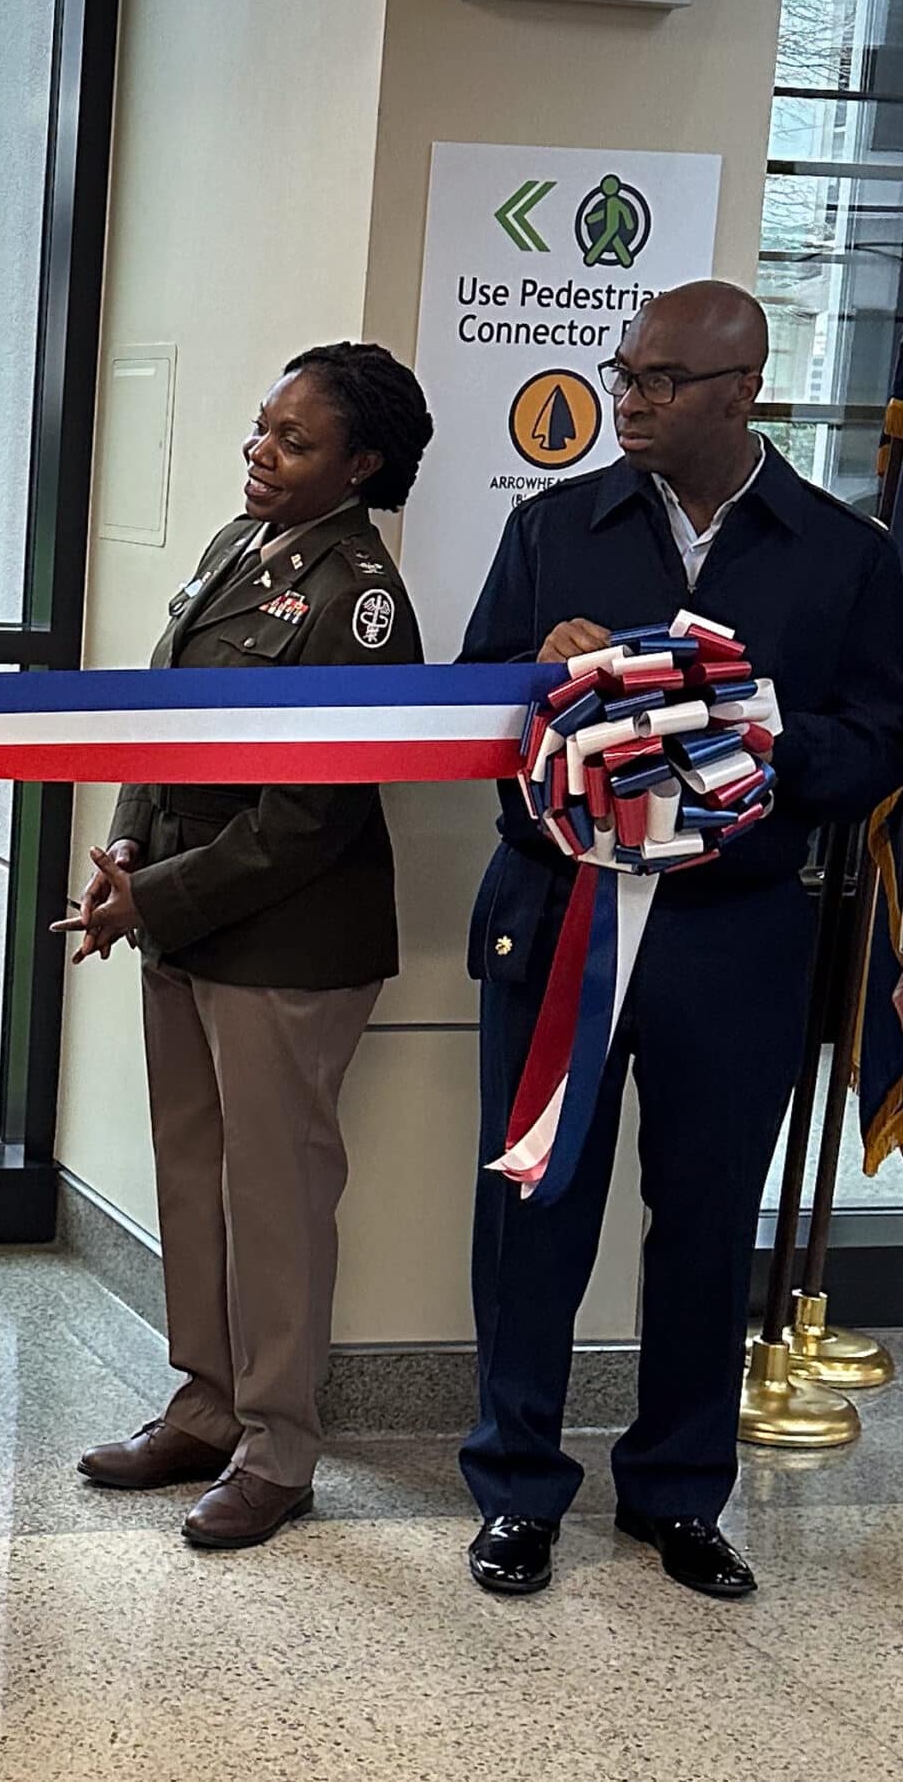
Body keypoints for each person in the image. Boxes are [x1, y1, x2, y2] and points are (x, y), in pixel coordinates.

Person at [457, 280, 903, 1602]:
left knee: (706, 1220)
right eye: (624, 371)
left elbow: (880, 734)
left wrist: (738, 733)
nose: (629, 398)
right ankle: (518, 1487)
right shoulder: (555, 529)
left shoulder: (844, 553)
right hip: (560, 919)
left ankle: (676, 1492)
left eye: (657, 379)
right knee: (534, 1205)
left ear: (741, 392)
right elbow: (484, 711)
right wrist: (554, 678)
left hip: (738, 931)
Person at [63, 344, 433, 1550]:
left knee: (275, 1198)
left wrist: (153, 898)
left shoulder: (361, 603)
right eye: (261, 426)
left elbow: (308, 816)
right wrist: (125, 857)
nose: (257, 452)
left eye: (292, 440)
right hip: (178, 912)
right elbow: (162, 720)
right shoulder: (236, 547)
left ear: (359, 465)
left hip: (283, 938)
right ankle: (208, 1403)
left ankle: (279, 1445)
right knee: (192, 1169)